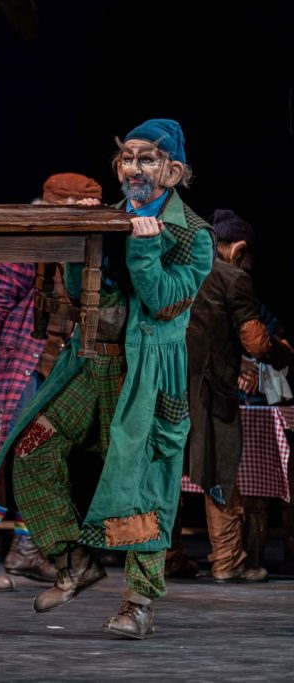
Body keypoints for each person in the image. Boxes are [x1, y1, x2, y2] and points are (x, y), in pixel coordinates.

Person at [0, 119, 214, 640]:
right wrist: (80, 234)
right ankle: (74, 561)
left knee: (143, 484)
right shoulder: (111, 217)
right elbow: (78, 291)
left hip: (148, 374)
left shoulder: (193, 234)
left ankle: (138, 602)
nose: (134, 168)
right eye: (127, 158)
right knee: (32, 448)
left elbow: (162, 302)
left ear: (173, 171)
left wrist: (144, 245)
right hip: (92, 365)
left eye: (147, 159)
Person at [0, 173, 102, 591]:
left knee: (44, 459)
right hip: (20, 371)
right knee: (2, 461)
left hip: (62, 375)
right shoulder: (24, 245)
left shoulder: (92, 247)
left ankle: (27, 549)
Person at [182, 208, 290, 582]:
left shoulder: (182, 269)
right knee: (220, 469)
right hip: (210, 390)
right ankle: (228, 561)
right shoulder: (232, 277)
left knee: (166, 474)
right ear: (239, 249)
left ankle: (166, 558)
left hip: (168, 384)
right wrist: (282, 354)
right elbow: (256, 342)